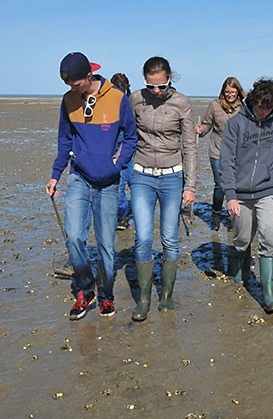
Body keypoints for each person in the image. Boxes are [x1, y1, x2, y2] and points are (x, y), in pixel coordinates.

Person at [46, 52, 137, 320]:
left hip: (108, 183)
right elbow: (65, 140)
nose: (71, 88)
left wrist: (118, 163)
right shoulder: (68, 101)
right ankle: (85, 290)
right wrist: (55, 175)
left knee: (107, 244)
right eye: (68, 84)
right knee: (74, 237)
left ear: (89, 75)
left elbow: (131, 138)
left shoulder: (118, 98)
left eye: (75, 83)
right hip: (79, 178)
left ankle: (107, 296)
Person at [128, 56, 197, 321]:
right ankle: (144, 299)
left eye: (161, 86)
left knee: (169, 238)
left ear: (170, 79)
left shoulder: (182, 103)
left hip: (172, 177)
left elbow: (190, 146)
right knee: (143, 238)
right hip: (142, 176)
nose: (156, 92)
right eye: (151, 86)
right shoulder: (135, 100)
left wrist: (190, 186)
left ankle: (166, 295)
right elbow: (127, 135)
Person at [220, 78, 273, 313]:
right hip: (239, 192)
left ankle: (268, 296)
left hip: (268, 190)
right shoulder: (236, 124)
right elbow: (226, 162)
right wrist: (230, 195)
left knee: (269, 237)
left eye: (269, 108)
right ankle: (241, 263)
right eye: (261, 106)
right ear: (252, 101)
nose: (264, 111)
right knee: (241, 239)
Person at [196, 77, 245, 231]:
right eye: (227, 92)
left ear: (238, 92)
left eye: (233, 92)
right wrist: (200, 130)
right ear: (223, 91)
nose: (230, 95)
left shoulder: (244, 107)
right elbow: (207, 124)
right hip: (217, 151)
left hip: (238, 153)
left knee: (236, 186)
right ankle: (216, 215)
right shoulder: (215, 106)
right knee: (221, 185)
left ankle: (233, 217)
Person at [110, 72, 133, 231]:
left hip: (131, 146)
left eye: (123, 90)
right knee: (119, 184)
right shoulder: (107, 103)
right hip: (114, 146)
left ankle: (139, 212)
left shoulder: (133, 103)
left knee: (135, 182)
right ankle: (122, 216)